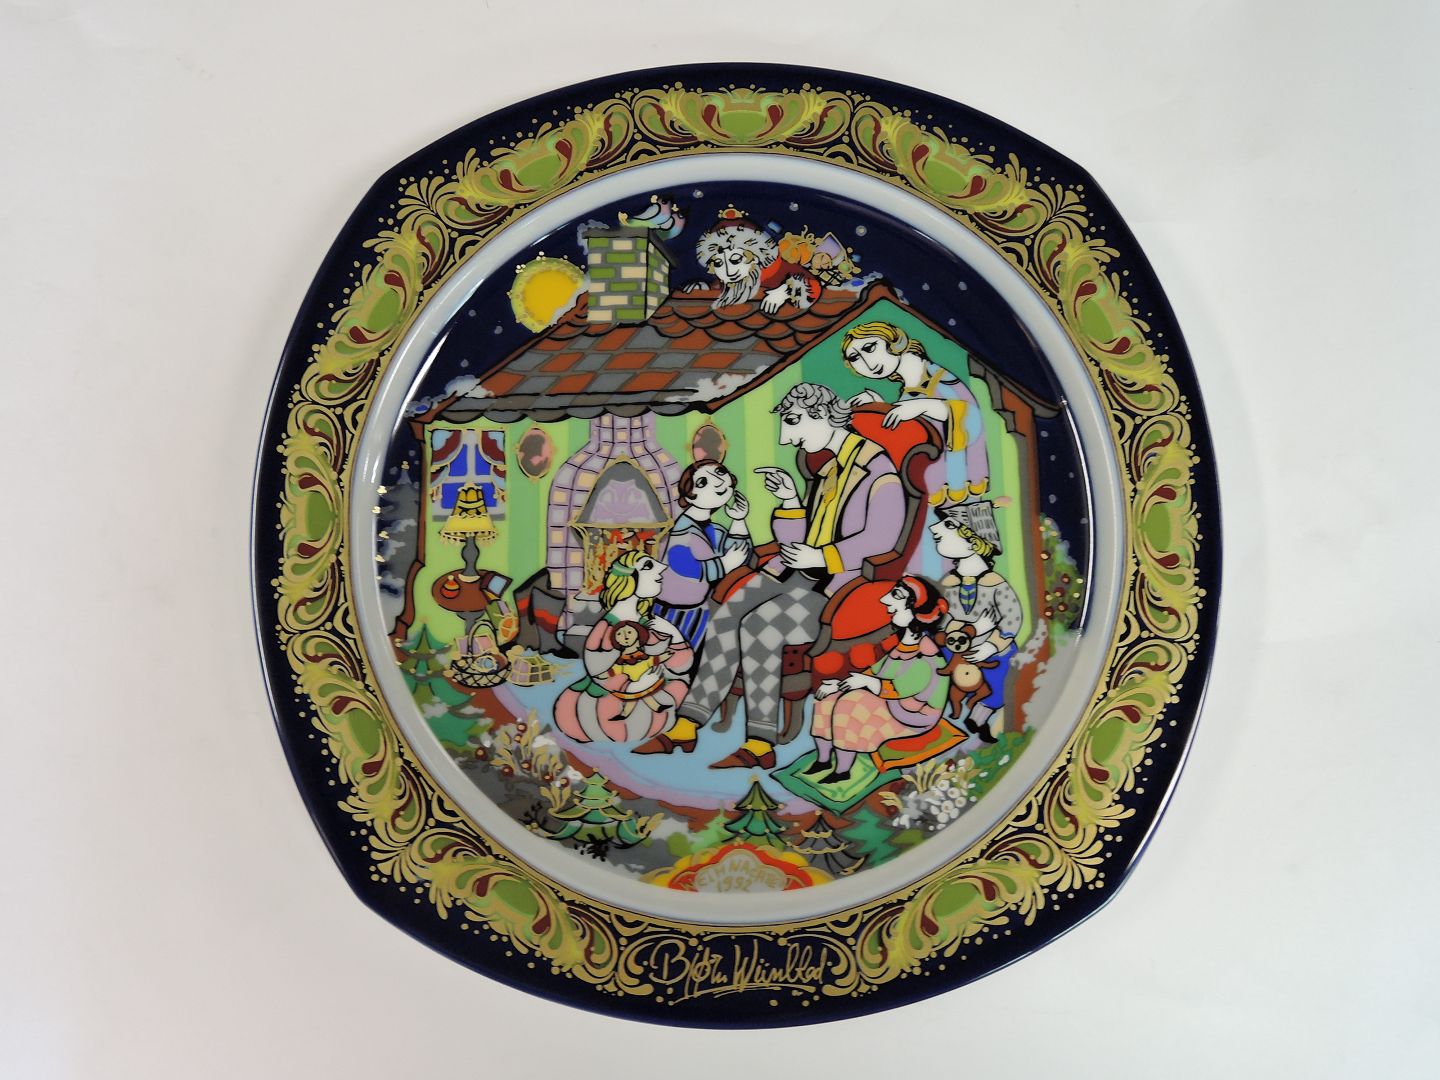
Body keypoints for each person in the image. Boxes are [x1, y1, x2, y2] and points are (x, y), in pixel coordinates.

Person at [633, 382, 905, 768]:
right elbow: (803, 538)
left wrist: (821, 555)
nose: (786, 438)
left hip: (837, 586)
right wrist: (791, 500)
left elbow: (882, 538)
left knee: (760, 627)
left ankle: (760, 744)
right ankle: (688, 724)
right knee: (727, 614)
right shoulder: (829, 469)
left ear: (820, 415)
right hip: (793, 572)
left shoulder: (878, 471)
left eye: (792, 423)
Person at [805, 576, 951, 782]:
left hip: (912, 715)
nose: (885, 600)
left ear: (916, 610)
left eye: (896, 595)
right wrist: (840, 685)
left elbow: (902, 687)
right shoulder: (901, 644)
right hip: (891, 702)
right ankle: (823, 759)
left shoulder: (926, 654)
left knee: (852, 704)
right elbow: (875, 671)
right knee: (827, 697)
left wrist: (866, 683)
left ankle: (842, 771)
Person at [552, 550, 695, 746]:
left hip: (654, 690)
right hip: (616, 695)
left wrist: (673, 633)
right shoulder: (607, 628)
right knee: (598, 714)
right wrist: (632, 685)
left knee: (675, 691)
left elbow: (681, 665)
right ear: (628, 580)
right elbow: (598, 671)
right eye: (648, 567)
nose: (661, 570)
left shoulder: (650, 623)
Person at [841, 320, 989, 505]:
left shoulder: (940, 378)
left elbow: (972, 420)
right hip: (927, 496)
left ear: (894, 341)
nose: (867, 364)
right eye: (855, 358)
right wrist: (878, 406)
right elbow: (912, 435)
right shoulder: (909, 392)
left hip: (957, 495)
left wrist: (923, 406)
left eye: (869, 348)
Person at [928, 499, 1022, 742]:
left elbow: (1012, 618)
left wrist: (991, 645)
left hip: (991, 647)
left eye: (948, 525)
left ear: (974, 541)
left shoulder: (996, 584)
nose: (934, 529)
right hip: (955, 646)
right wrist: (968, 628)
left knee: (1003, 675)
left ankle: (979, 718)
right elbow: (942, 616)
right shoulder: (949, 582)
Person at [653, 459, 752, 649]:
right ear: (690, 497)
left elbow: (739, 554)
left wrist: (738, 521)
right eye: (702, 482)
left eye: (720, 473)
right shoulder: (682, 530)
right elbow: (682, 564)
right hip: (671, 612)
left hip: (698, 609)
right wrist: (724, 565)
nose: (718, 482)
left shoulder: (715, 529)